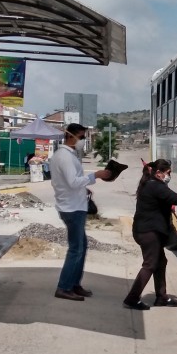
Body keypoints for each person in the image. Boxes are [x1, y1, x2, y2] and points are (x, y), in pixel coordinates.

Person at [123, 159, 177, 310]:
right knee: (150, 264)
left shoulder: (150, 183)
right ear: (158, 173)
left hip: (146, 231)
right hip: (149, 233)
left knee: (161, 262)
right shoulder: (155, 186)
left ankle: (161, 297)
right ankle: (132, 298)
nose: (169, 175)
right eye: (168, 173)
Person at [48, 123, 112, 301]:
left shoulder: (68, 155)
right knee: (76, 249)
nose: (83, 141)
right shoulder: (65, 157)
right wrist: (96, 175)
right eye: (82, 137)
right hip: (72, 208)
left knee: (81, 247)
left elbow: (72, 183)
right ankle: (64, 287)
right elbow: (73, 182)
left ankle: (74, 284)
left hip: (74, 204)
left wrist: (85, 188)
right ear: (70, 136)